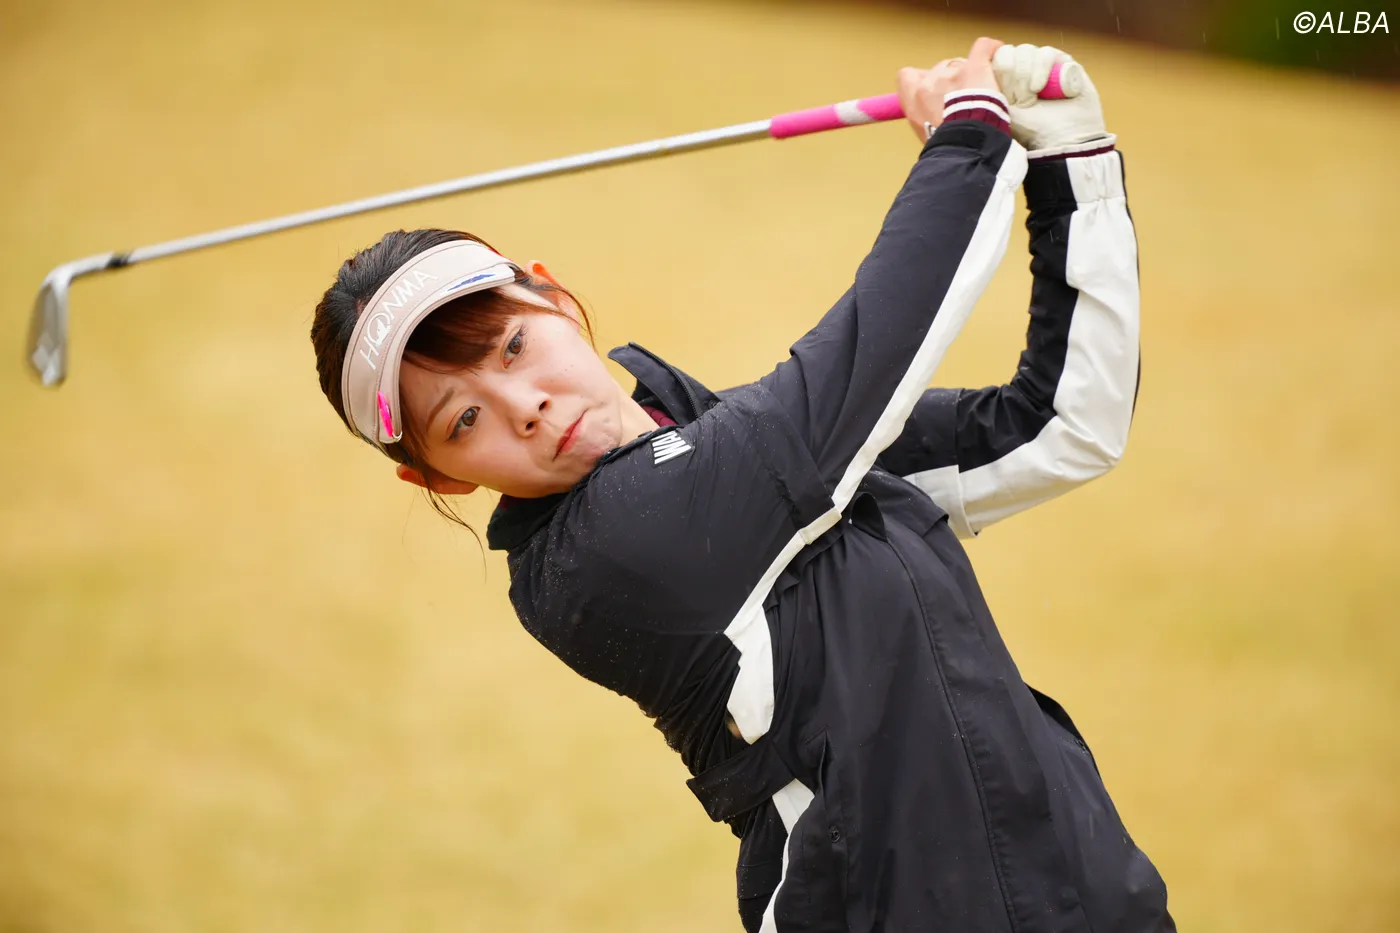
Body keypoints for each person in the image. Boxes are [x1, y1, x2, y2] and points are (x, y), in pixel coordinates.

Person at [310, 37, 1170, 933]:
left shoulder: (756, 451)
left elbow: (1060, 426)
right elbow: (877, 339)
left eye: (514, 345)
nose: (522, 406)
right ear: (437, 477)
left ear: (557, 298)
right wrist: (969, 136)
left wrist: (1070, 160)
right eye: (463, 420)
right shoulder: (602, 552)